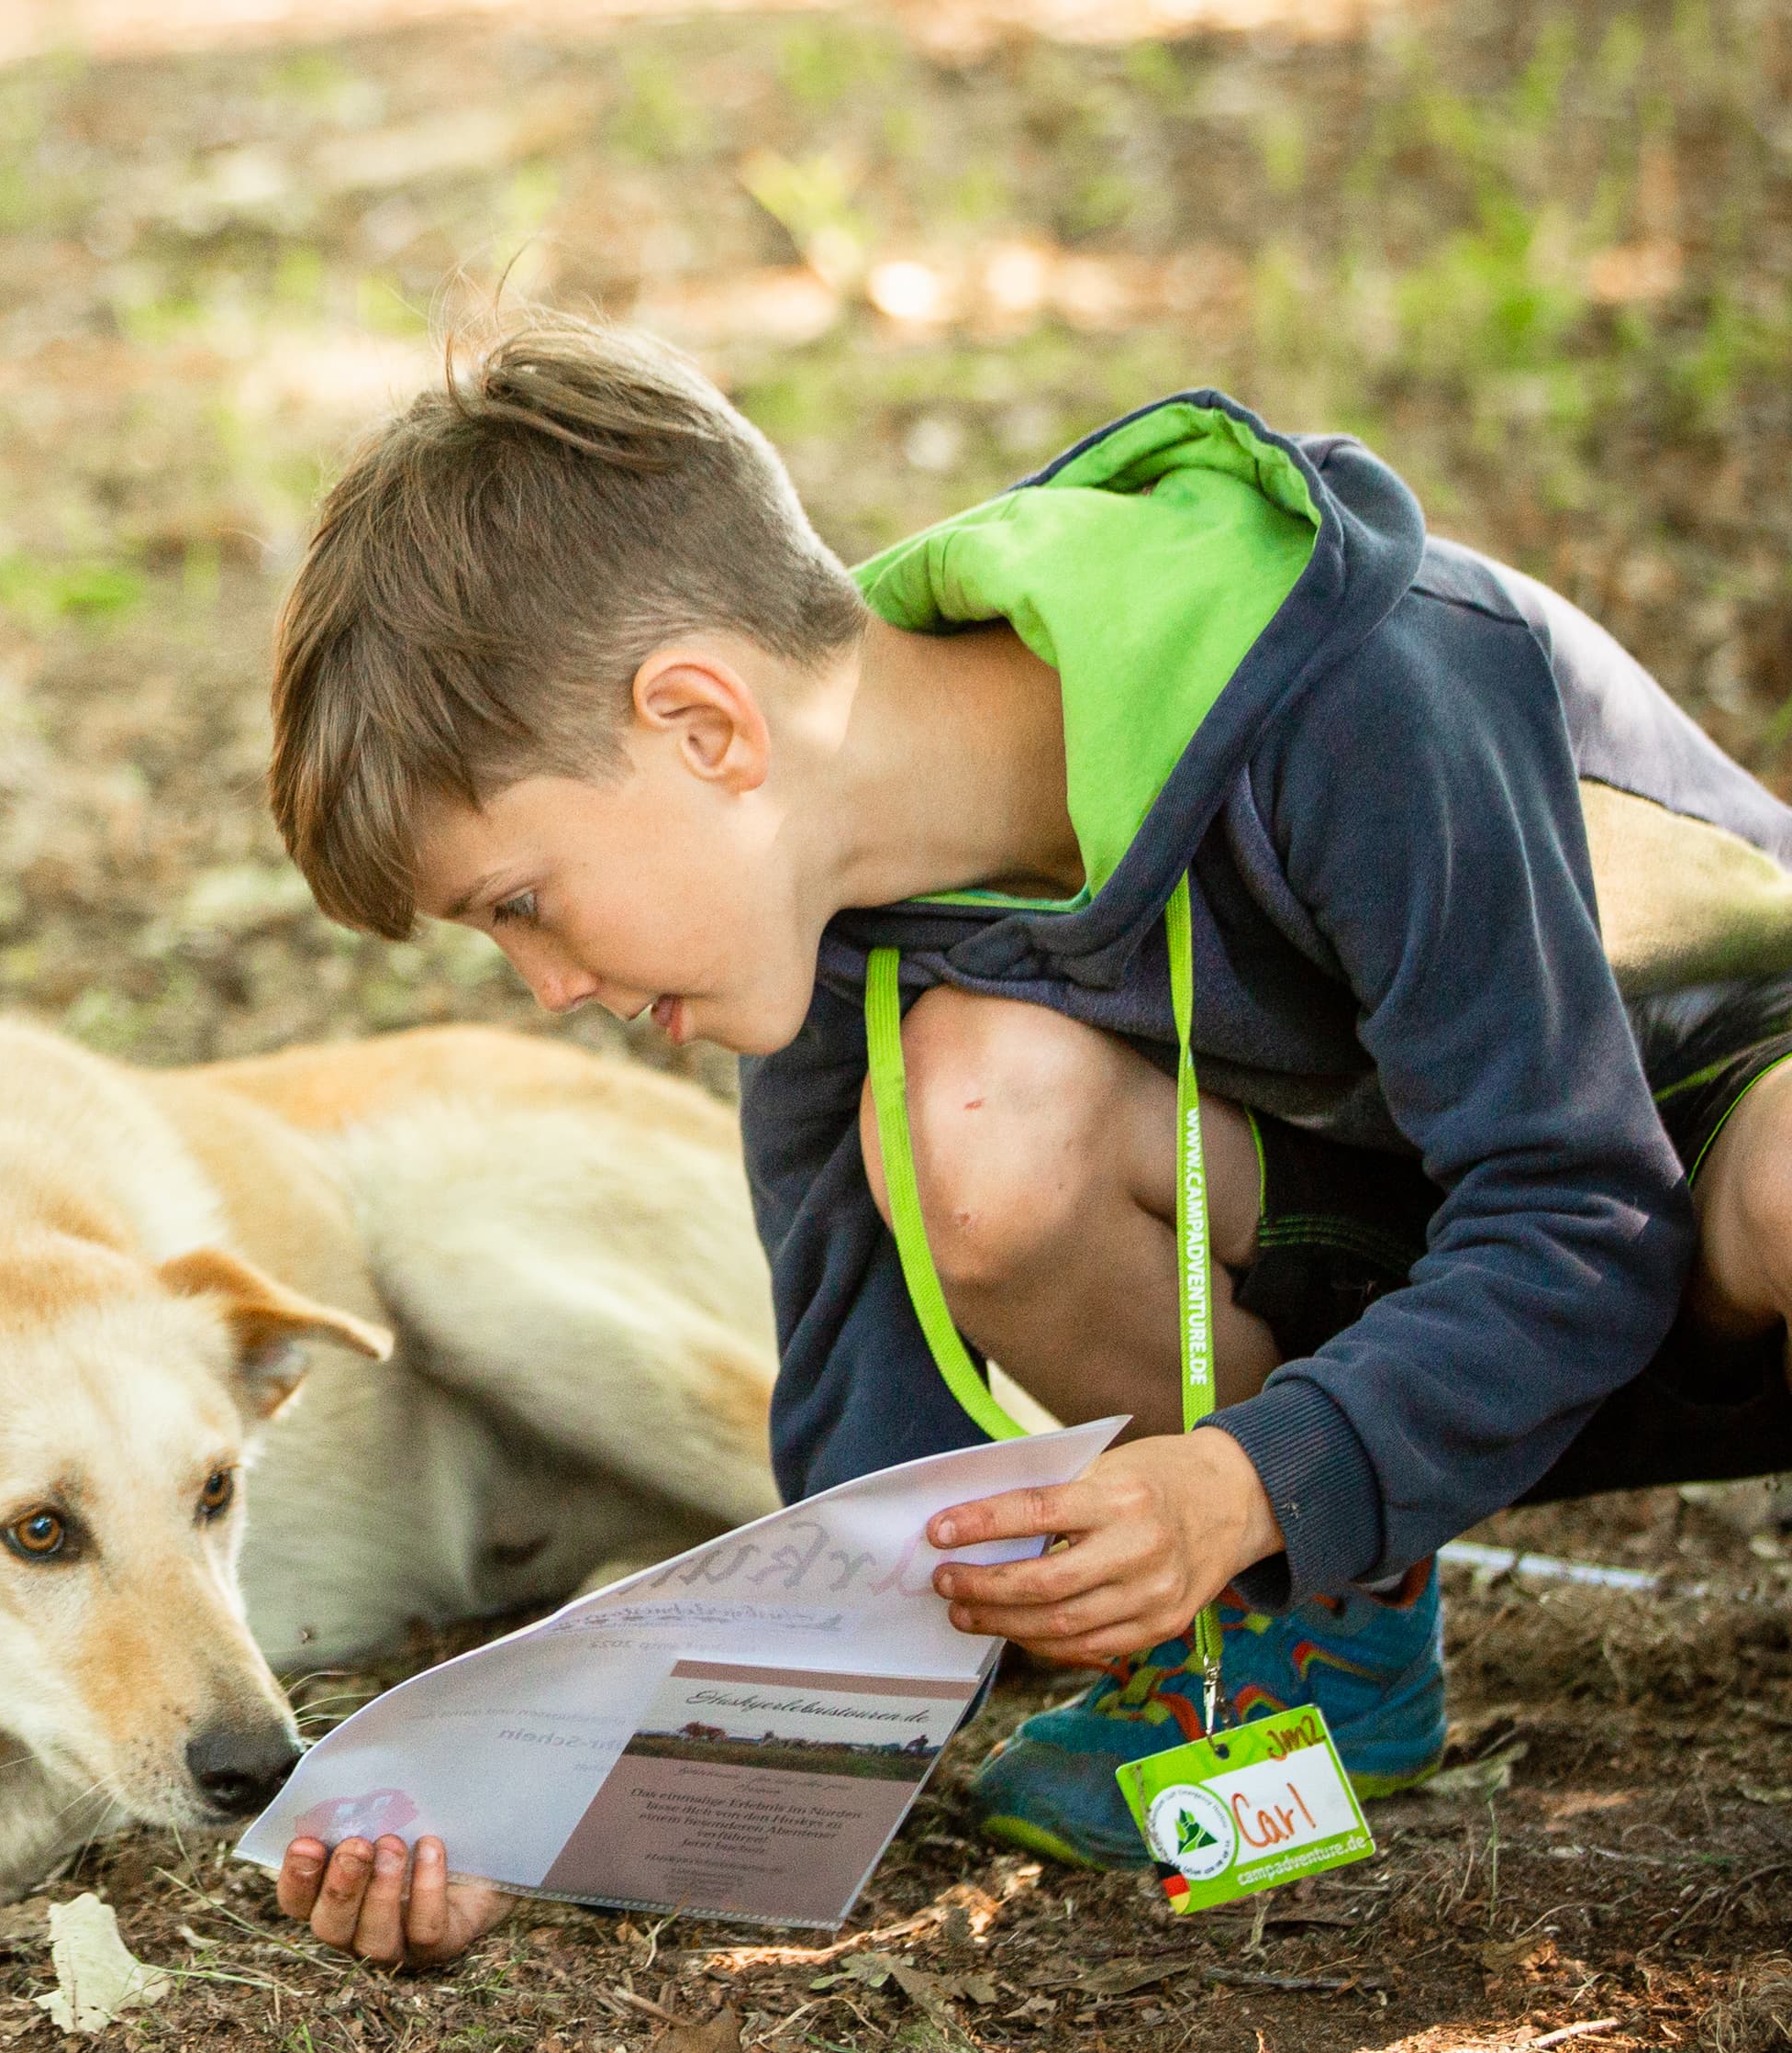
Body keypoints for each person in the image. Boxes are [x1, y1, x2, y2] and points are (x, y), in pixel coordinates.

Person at [262, 312, 1792, 1966]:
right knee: (979, 1110)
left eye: (524, 905)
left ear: (708, 726)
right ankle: (1320, 1643)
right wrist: (548, 1816)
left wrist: (1239, 1480)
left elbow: (1584, 1208)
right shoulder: (843, 955)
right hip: (1414, 1311)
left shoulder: (1359, 673)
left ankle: (1293, 1525)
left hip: (1673, 1185)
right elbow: (873, 1515)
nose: (547, 986)